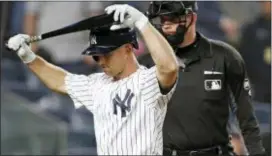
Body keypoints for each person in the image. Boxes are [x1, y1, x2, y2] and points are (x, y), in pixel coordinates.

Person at [6, 4, 179, 155]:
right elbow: (60, 80)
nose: (101, 61)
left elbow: (169, 67)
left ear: (127, 48)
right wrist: (29, 57)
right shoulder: (97, 84)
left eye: (106, 54)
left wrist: (142, 22)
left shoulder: (147, 81)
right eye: (96, 56)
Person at [139, 1, 265, 155]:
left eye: (172, 19)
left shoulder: (224, 56)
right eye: (161, 20)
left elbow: (246, 118)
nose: (166, 26)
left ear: (191, 18)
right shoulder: (146, 64)